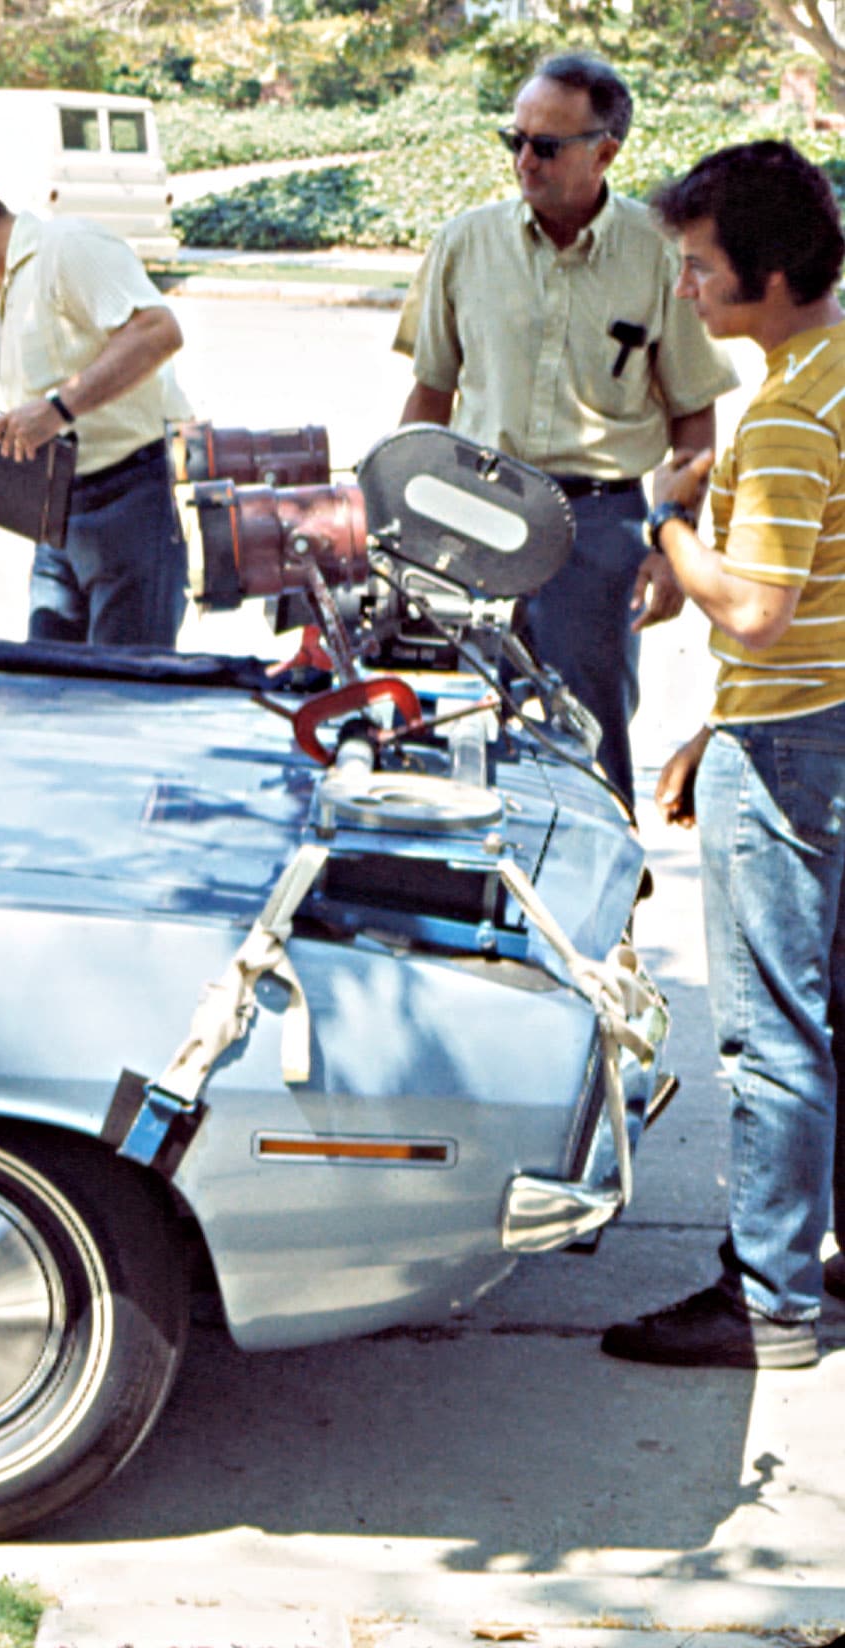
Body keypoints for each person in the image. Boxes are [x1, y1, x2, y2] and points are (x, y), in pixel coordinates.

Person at [600, 140, 845, 1370]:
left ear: (776, 268)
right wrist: (719, 721)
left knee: (769, 1030)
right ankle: (821, 1260)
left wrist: (669, 518)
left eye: (700, 270)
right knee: (832, 1011)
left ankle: (768, 1300)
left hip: (795, 748)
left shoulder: (796, 410)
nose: (685, 294)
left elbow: (754, 609)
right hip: (817, 722)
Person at [393, 53, 738, 802]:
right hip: (469, 517)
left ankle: (602, 914)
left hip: (595, 529)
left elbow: (692, 412)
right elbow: (429, 395)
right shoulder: (464, 243)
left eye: (545, 146)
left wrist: (671, 547)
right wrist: (397, 523)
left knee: (587, 736)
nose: (523, 159)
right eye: (512, 139)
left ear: (604, 151)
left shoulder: (656, 255)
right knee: (463, 731)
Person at [0, 164, 193, 649]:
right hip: (57, 513)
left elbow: (158, 331)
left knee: (123, 690)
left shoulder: (66, 247)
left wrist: (57, 409)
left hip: (129, 498)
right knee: (48, 681)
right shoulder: (11, 280)